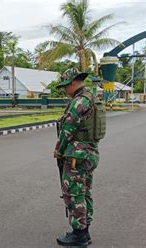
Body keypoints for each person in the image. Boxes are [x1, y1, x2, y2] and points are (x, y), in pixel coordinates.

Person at [54, 68, 100, 246]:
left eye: (66, 86)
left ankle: (79, 234)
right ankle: (84, 230)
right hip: (89, 153)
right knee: (84, 191)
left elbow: (68, 129)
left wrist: (58, 149)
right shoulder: (91, 97)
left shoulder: (79, 101)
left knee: (74, 193)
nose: (65, 90)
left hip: (77, 155)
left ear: (73, 82)